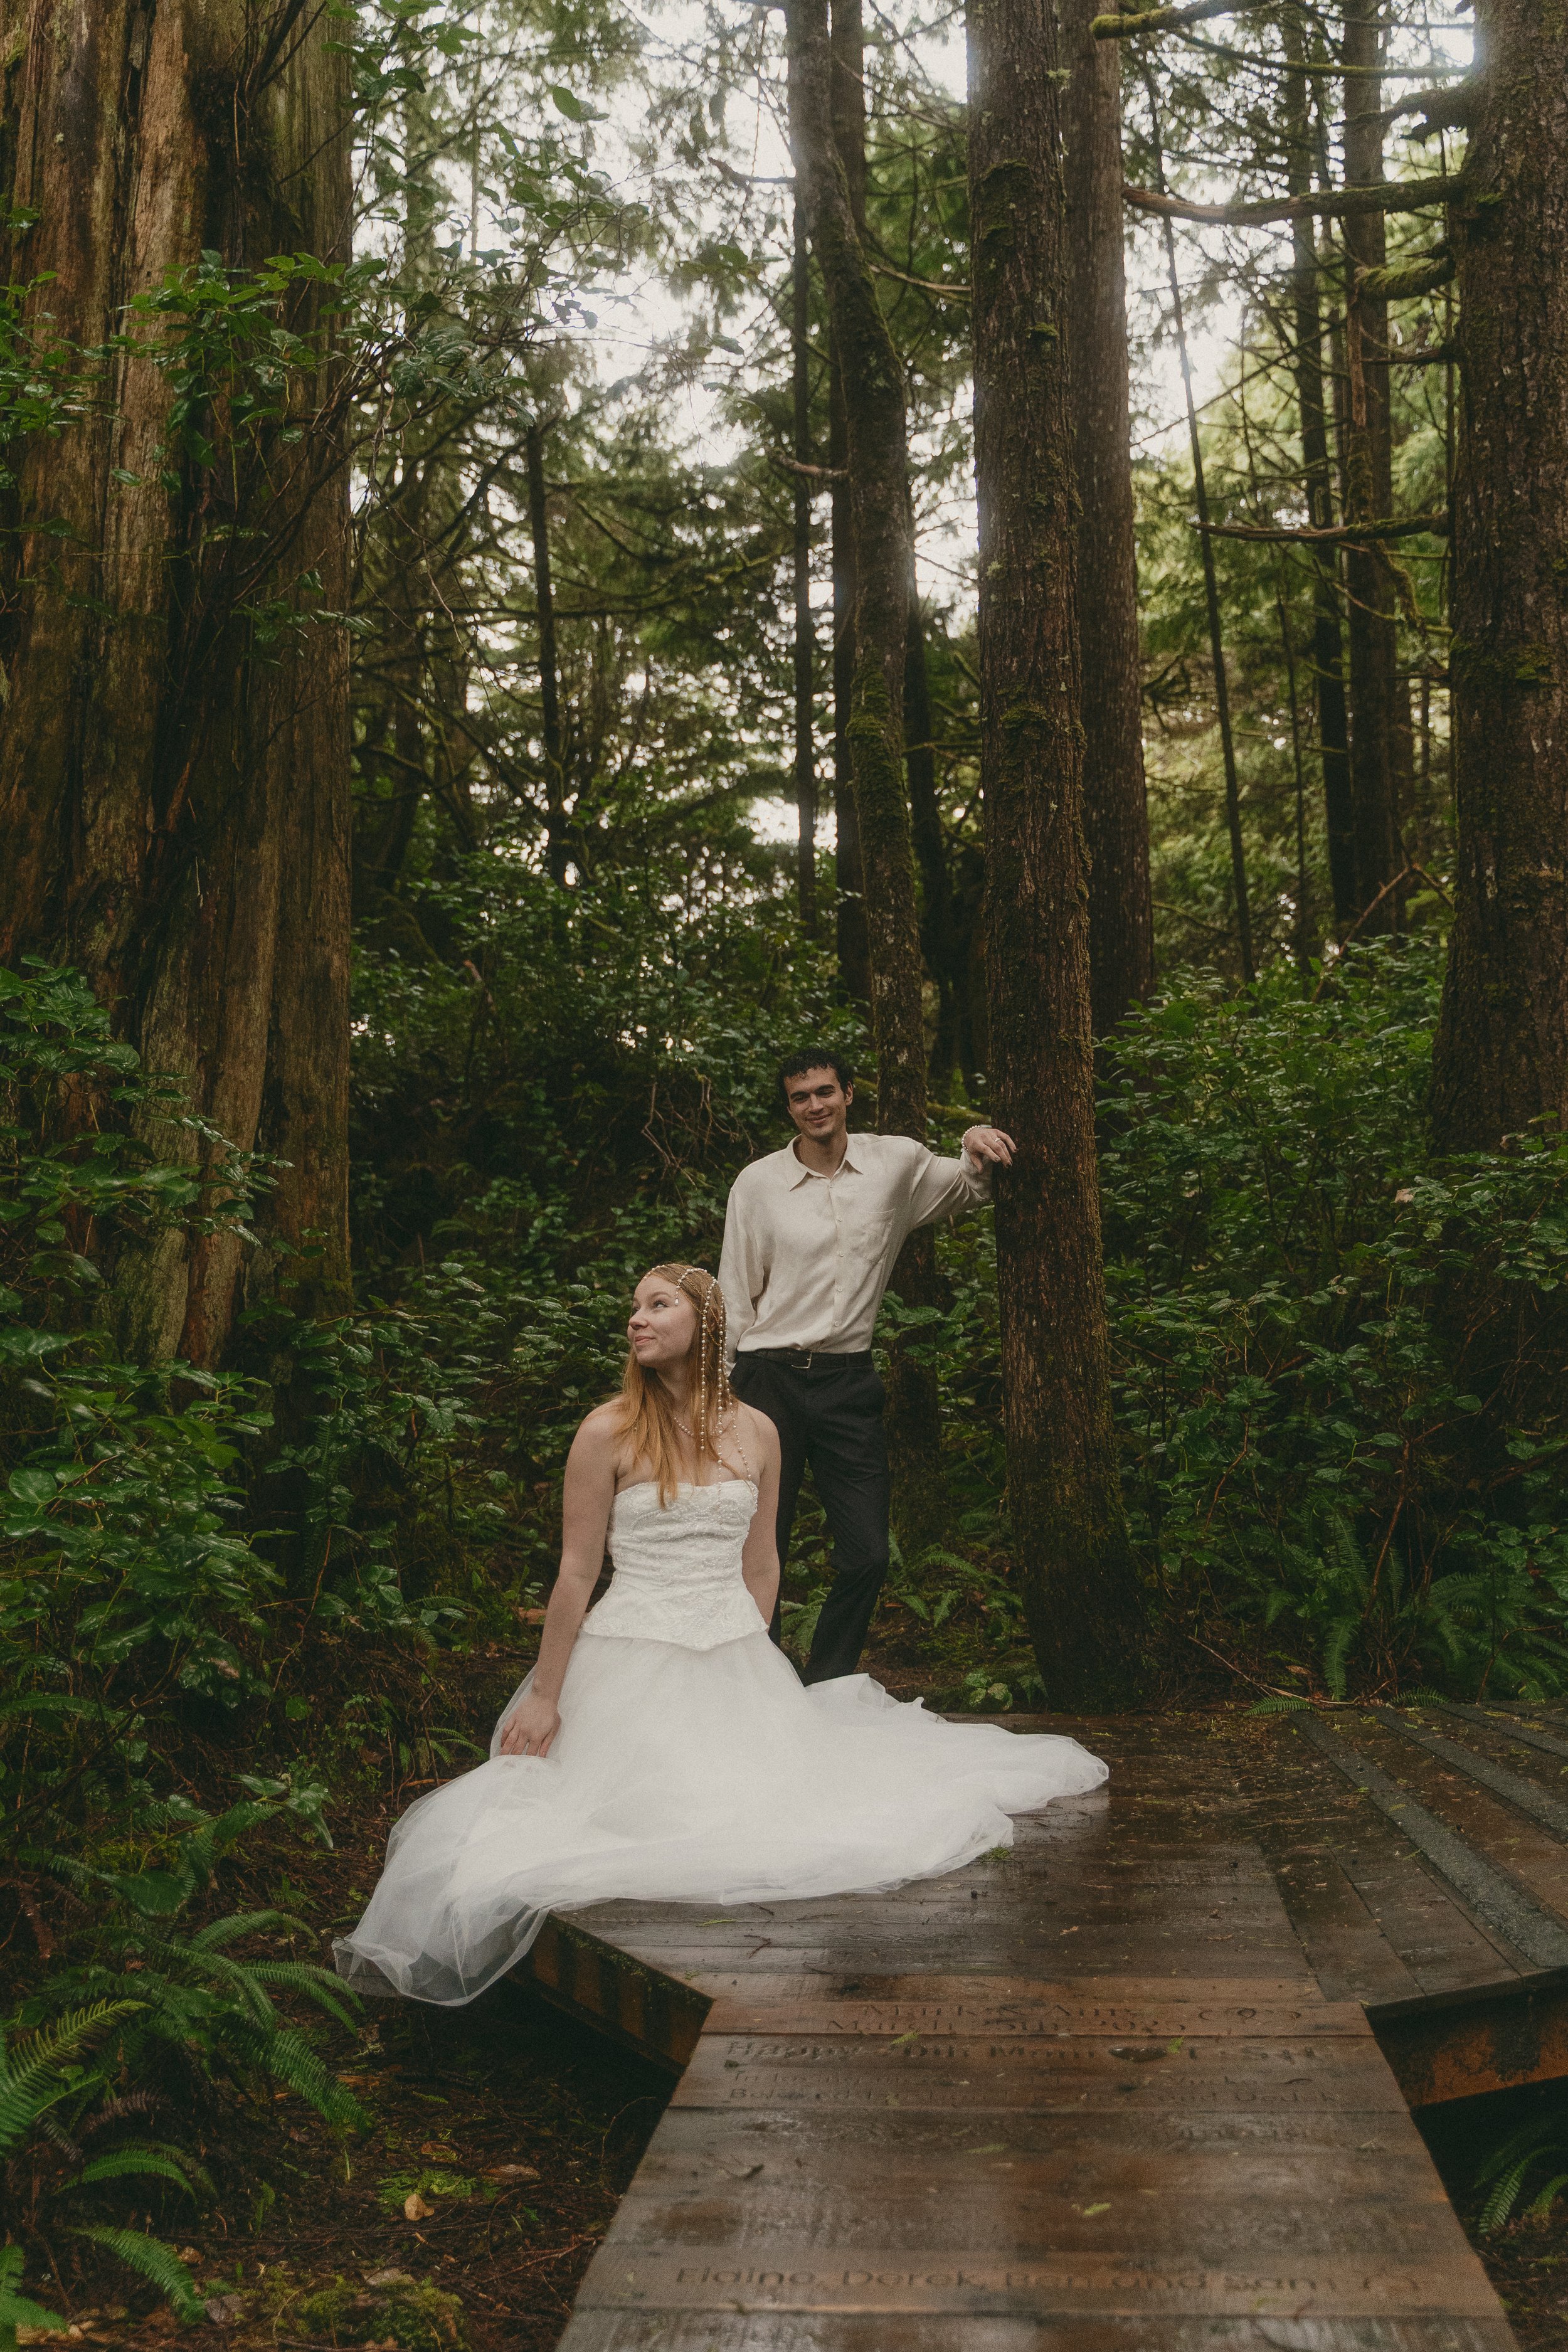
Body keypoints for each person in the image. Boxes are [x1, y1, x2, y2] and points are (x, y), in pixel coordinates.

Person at [332, 1261, 1104, 2006]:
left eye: (658, 1304)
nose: (636, 1318)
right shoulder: (606, 1432)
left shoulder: (760, 1430)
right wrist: (544, 1695)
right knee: (630, 1818)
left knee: (785, 1810)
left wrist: (753, 1659)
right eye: (634, 1307)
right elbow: (575, 1575)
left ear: (706, 1326)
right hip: (630, 1654)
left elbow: (761, 1563)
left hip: (734, 1652)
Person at [721, 1049, 1015, 1684]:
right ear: (789, 1106)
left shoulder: (896, 1163)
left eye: (824, 1091)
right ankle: (761, 1688)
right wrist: (722, 1389)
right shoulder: (758, 1183)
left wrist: (970, 1140)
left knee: (867, 1553)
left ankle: (824, 1684)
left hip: (846, 1381)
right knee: (756, 1547)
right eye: (800, 1097)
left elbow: (971, 1184)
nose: (814, 1106)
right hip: (764, 1378)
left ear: (848, 1094)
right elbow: (735, 1289)